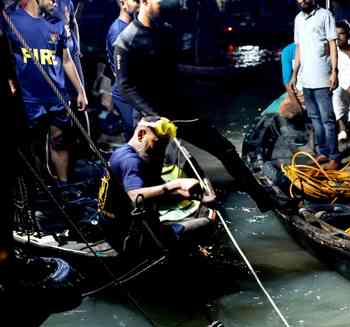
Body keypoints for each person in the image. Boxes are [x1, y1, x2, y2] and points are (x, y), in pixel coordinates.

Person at [113, 0, 274, 212]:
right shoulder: (125, 41)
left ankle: (263, 200)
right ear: (144, 2)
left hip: (180, 111)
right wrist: (154, 117)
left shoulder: (167, 31)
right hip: (152, 119)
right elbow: (125, 86)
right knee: (150, 172)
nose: (165, 5)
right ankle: (148, 222)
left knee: (225, 149)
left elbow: (173, 71)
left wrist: (208, 77)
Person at [5, 0, 87, 182]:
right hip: (30, 98)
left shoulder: (57, 22)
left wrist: (80, 91)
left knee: (60, 141)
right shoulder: (13, 20)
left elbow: (66, 59)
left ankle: (64, 187)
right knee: (33, 146)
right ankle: (37, 192)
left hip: (57, 96)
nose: (56, 1)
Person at [101, 116, 204, 251]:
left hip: (110, 223)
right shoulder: (131, 162)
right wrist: (176, 184)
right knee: (205, 223)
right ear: (141, 134)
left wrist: (179, 194)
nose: (161, 149)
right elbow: (134, 195)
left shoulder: (121, 152)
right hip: (126, 234)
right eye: (158, 143)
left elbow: (142, 190)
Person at [288, 0, 341, 171]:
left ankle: (334, 157)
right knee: (315, 119)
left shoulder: (325, 15)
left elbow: (333, 44)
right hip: (306, 79)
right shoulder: (298, 19)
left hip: (322, 77)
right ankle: (323, 152)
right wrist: (294, 75)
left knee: (328, 119)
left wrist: (334, 71)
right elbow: (299, 49)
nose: (302, 0)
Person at [106, 0, 139, 138]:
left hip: (132, 92)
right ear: (123, 3)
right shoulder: (118, 31)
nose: (139, 4)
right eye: (135, 1)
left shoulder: (130, 26)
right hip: (126, 95)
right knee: (135, 136)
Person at [332, 20, 350, 142]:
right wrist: (347, 87)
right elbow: (332, 75)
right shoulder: (334, 54)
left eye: (341, 34)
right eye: (336, 34)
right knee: (336, 94)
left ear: (348, 35)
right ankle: (342, 129)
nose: (338, 37)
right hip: (345, 91)